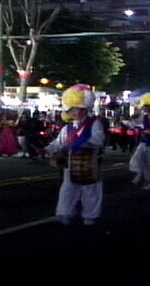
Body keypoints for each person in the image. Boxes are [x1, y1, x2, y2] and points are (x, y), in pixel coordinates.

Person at [45, 84, 105, 226]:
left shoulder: (94, 123)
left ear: (83, 108)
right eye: (70, 109)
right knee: (68, 190)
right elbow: (59, 142)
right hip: (71, 163)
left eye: (75, 108)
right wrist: (48, 149)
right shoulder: (68, 127)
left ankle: (90, 215)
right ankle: (64, 213)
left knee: (90, 189)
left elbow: (99, 138)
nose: (72, 112)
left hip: (89, 163)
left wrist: (88, 143)